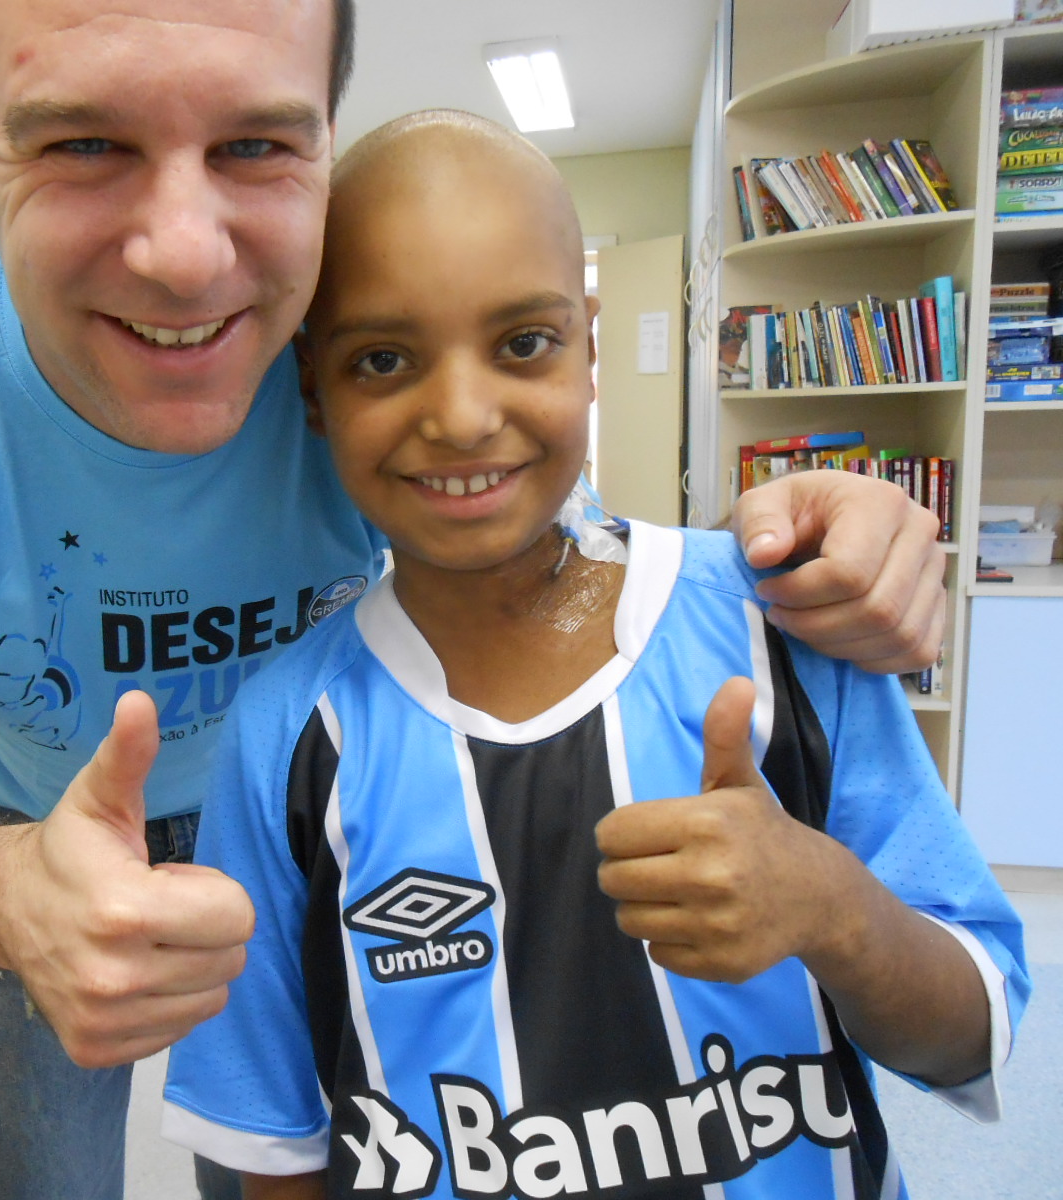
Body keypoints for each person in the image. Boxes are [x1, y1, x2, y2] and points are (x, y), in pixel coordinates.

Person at [0, 1, 957, 1197]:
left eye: (255, 143)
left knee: (270, 1129)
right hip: (1, 805)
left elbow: (527, 489)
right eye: (82, 142)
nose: (186, 257)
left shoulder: (364, 328)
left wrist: (805, 517)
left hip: (299, 792)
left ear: (320, 138)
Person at [160, 111, 1028, 1200]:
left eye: (523, 343)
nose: (464, 417)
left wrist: (832, 907)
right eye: (383, 359)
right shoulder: (288, 736)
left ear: (588, 345)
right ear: (311, 390)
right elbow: (271, 1138)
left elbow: (969, 1030)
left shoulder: (781, 635)